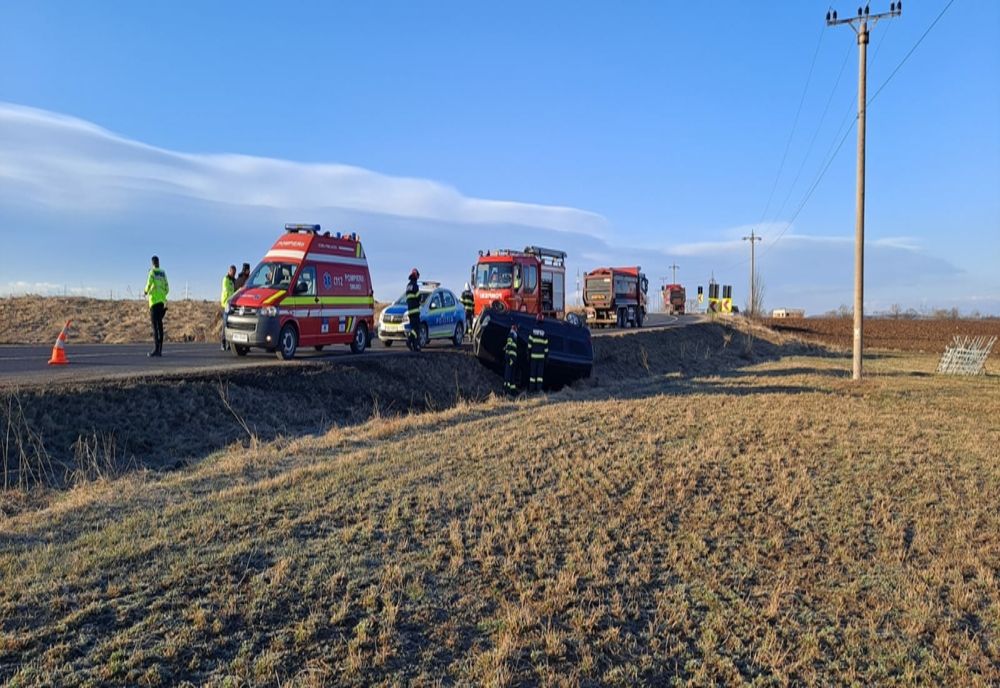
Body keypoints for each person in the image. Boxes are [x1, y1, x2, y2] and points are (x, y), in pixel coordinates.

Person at [144, 255, 169, 357]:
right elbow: (167, 288)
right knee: (160, 326)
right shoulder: (163, 273)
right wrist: (162, 295)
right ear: (159, 262)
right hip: (162, 302)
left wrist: (146, 291)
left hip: (154, 302)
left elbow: (148, 284)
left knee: (155, 327)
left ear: (152, 263)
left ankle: (156, 349)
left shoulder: (152, 272)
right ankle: (160, 350)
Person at [528, 313, 549, 392]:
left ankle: (531, 390)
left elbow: (530, 344)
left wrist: (528, 353)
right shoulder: (544, 332)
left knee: (532, 375)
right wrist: (546, 356)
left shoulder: (533, 330)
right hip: (541, 357)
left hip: (533, 356)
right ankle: (538, 390)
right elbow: (546, 346)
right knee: (539, 376)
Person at [220, 264, 237, 351]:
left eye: (234, 272)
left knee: (231, 325)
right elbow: (227, 291)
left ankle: (230, 343)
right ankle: (223, 343)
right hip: (226, 304)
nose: (233, 274)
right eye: (232, 272)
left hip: (232, 305)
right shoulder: (226, 279)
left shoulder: (234, 280)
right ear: (229, 271)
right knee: (225, 324)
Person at [405, 268, 422, 352]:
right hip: (415, 310)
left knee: (413, 328)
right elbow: (418, 297)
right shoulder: (415, 286)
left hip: (410, 310)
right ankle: (410, 341)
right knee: (416, 329)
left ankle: (415, 346)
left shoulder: (408, 286)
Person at [503, 322, 520, 396]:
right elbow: (510, 346)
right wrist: (509, 357)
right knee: (508, 375)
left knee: (511, 375)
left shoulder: (513, 337)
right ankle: (507, 391)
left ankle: (512, 391)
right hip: (510, 358)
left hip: (512, 359)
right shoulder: (511, 335)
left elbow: (509, 346)